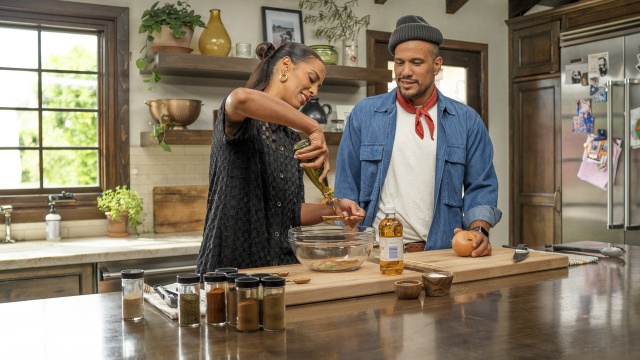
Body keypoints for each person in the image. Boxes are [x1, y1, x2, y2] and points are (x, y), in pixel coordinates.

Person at [334, 16, 501, 257]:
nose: (405, 71)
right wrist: (349, 235)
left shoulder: (466, 121)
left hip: (442, 254)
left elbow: (482, 185)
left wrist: (479, 231)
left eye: (416, 62)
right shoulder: (365, 114)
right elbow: (346, 186)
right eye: (399, 62)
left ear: (436, 65)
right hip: (377, 254)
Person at [196, 42, 365, 273]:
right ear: (285, 66)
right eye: (312, 78)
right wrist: (313, 127)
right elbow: (241, 98)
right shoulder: (242, 121)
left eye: (319, 86)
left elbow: (289, 212)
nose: (315, 91)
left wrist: (336, 209)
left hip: (282, 271)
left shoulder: (290, 138)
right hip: (231, 271)